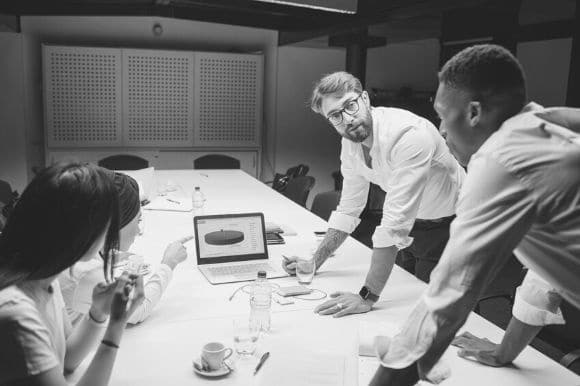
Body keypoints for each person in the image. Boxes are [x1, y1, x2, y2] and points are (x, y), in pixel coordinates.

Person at [369, 44, 580, 385]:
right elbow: (546, 270)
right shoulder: (550, 125)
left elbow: (453, 290)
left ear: (474, 113)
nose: (440, 130)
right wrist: (504, 352)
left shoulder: (499, 160)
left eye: (442, 113)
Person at [282, 71, 465, 318]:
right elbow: (349, 207)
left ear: (365, 99)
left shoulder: (409, 135)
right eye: (335, 115)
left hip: (451, 227)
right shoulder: (351, 141)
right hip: (412, 228)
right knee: (404, 310)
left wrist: (366, 297)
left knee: (435, 318)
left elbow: (393, 223)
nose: (347, 119)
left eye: (350, 105)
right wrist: (314, 263)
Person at [0, 163, 145, 385]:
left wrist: (98, 312)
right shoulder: (16, 315)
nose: (109, 234)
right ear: (82, 231)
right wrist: (117, 325)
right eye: (107, 225)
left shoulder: (45, 279)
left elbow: (66, 359)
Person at [59, 172, 191, 326]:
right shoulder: (86, 272)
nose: (139, 231)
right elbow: (137, 311)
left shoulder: (72, 243)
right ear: (116, 223)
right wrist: (168, 263)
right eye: (138, 220)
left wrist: (109, 255)